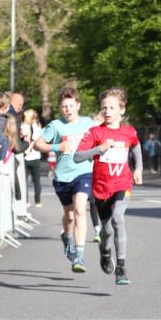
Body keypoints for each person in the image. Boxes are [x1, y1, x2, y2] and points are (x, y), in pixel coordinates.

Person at [74, 87, 142, 286]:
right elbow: (78, 156)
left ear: (121, 110)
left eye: (112, 108)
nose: (107, 111)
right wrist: (98, 149)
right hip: (101, 188)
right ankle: (105, 251)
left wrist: (138, 168)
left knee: (118, 218)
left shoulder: (128, 132)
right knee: (107, 231)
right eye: (104, 108)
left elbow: (136, 146)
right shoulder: (95, 132)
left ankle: (121, 268)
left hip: (122, 184)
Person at [34, 87, 95, 273]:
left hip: (84, 172)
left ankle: (79, 255)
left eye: (71, 105)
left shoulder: (88, 123)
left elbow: (101, 141)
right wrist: (56, 146)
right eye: (64, 106)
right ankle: (67, 237)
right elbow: (37, 144)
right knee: (69, 216)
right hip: (62, 176)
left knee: (79, 210)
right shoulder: (56, 125)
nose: (68, 109)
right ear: (60, 108)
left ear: (78, 105)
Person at [21, 108, 43, 207]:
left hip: (25, 156)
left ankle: (25, 200)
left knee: (24, 180)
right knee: (36, 180)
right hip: (36, 157)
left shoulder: (23, 126)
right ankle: (38, 201)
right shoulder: (38, 128)